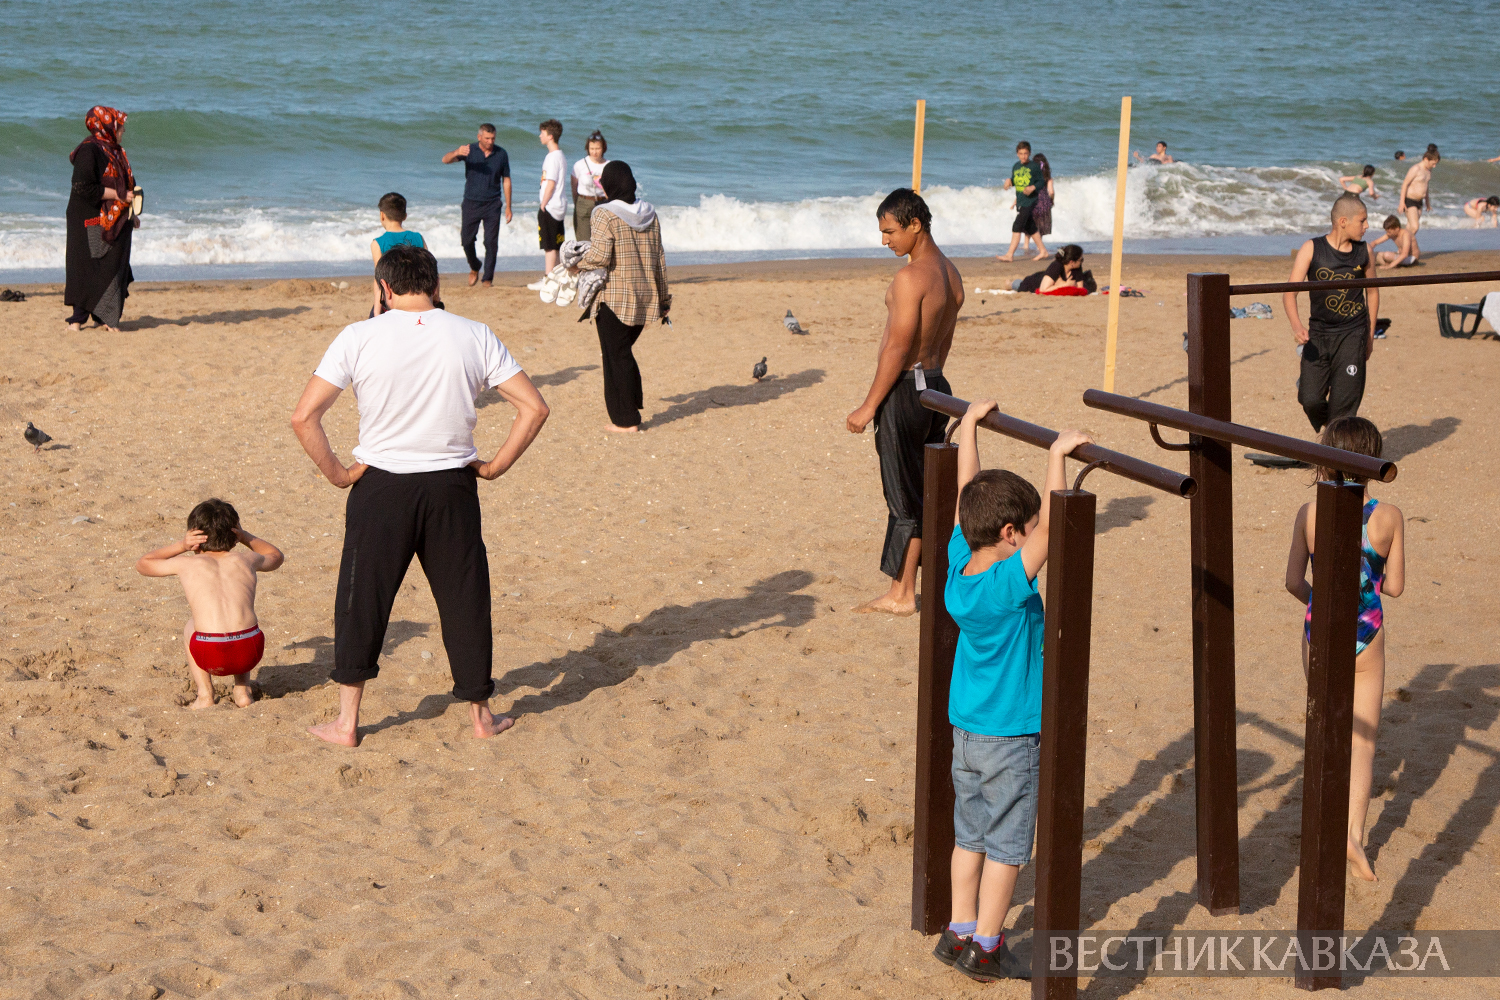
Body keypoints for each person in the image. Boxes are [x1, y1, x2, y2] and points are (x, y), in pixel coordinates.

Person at [290, 245, 550, 746]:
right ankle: (480, 717)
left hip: (381, 486)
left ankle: (347, 723)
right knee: (464, 599)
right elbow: (534, 408)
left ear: (383, 290)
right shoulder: (474, 333)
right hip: (451, 486)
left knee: (361, 600)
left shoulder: (359, 335)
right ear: (436, 286)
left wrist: (339, 474)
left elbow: (304, 417)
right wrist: (494, 466)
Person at [930, 398, 1093, 982]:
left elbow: (963, 497)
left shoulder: (957, 570)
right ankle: (990, 945)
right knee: (1006, 846)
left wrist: (969, 427)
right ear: (1007, 533)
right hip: (1010, 735)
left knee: (968, 834)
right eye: (1019, 533)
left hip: (967, 731)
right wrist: (1055, 459)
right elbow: (1051, 527)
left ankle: (959, 929)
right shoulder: (1006, 585)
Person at [1283, 416, 1404, 882]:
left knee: (1323, 729)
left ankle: (1318, 821)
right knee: (1364, 741)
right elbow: (1394, 587)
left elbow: (1294, 580)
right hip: (1366, 633)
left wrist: (1322, 599)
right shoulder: (1387, 516)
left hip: (1319, 630)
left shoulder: (1309, 513)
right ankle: (1353, 834)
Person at [845, 189, 963, 616]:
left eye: (890, 231)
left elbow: (896, 348)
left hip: (906, 391)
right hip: (935, 387)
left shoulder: (910, 278)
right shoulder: (951, 274)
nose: (884, 241)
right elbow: (943, 341)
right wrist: (930, 383)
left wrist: (869, 405)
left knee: (903, 496)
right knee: (924, 491)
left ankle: (901, 594)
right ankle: (910, 586)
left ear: (915, 225)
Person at [134, 500, 285, 711]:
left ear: (195, 538)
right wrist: (246, 536)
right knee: (239, 619)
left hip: (210, 652)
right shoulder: (247, 559)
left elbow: (143, 564)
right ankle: (242, 691)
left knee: (191, 625)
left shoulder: (186, 563)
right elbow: (277, 557)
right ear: (234, 537)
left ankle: (205, 694)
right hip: (249, 651)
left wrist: (181, 546)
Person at [575, 161, 671, 432]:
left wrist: (577, 261)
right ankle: (628, 411)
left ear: (609, 184)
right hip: (645, 299)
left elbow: (601, 256)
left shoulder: (603, 213)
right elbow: (660, 261)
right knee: (622, 353)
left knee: (615, 356)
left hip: (615, 299)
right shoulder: (650, 214)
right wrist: (664, 300)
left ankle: (626, 420)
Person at [1283, 193, 1380, 432]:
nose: (1367, 226)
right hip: (1318, 334)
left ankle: (1335, 455)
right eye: (1362, 220)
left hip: (1352, 334)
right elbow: (1289, 293)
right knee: (1310, 399)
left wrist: (1369, 336)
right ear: (1343, 221)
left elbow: (1373, 293)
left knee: (1344, 408)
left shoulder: (1364, 251)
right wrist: (1297, 327)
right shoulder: (1312, 248)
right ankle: (1334, 435)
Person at [65, 106, 138, 332]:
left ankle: (104, 317)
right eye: (119, 125)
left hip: (112, 215)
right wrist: (119, 195)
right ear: (106, 126)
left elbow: (127, 184)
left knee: (112, 263)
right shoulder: (90, 150)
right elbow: (82, 187)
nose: (123, 129)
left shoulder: (115, 151)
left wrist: (132, 212)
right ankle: (77, 320)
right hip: (86, 214)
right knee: (85, 265)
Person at [441, 124, 512, 287]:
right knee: (466, 240)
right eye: (487, 138)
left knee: (490, 242)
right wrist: (456, 152)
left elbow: (506, 180)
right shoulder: (469, 150)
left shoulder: (501, 154)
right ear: (479, 137)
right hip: (471, 202)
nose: (490, 141)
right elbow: (445, 160)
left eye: (493, 138)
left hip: (493, 203)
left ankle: (487, 278)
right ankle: (474, 266)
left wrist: (508, 206)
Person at [369, 192, 425, 315]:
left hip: (392, 302)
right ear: (405, 216)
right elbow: (429, 270)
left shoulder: (378, 243)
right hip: (418, 298)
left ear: (382, 215)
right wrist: (436, 298)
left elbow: (380, 279)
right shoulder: (418, 238)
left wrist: (377, 312)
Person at [996, 142, 1038, 262]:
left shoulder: (1034, 167)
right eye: (1021, 154)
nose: (1023, 156)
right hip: (1021, 200)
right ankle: (1043, 251)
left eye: (1025, 153)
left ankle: (1009, 255)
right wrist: (1009, 181)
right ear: (1017, 154)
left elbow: (1041, 182)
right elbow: (1016, 180)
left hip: (1031, 201)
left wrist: (1032, 188)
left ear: (1029, 153)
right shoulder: (1016, 166)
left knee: (1017, 226)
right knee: (1030, 227)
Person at [537, 119, 569, 278]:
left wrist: (543, 204)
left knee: (549, 245)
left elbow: (551, 183)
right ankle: (556, 277)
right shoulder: (559, 156)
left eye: (542, 133)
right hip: (558, 205)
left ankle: (548, 278)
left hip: (551, 206)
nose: (539, 136)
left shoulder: (553, 157)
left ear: (550, 136)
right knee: (555, 244)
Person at [572, 130, 610, 242]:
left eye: (597, 148)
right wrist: (577, 203)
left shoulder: (608, 165)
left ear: (603, 148)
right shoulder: (580, 165)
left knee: (603, 240)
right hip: (584, 202)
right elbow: (574, 187)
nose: (594, 152)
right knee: (584, 242)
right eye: (591, 149)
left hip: (603, 203)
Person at [1014, 244, 1087, 293]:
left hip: (1044, 278)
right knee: (1016, 285)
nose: (1082, 262)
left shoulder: (1077, 267)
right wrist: (1064, 285)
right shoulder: (1056, 266)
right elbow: (1043, 289)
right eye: (1081, 260)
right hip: (1031, 284)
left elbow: (1080, 289)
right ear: (1072, 262)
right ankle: (1009, 283)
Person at [1397, 150, 1438, 233]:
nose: (1434, 166)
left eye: (1436, 164)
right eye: (1433, 163)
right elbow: (1405, 184)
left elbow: (1426, 187)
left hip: (1419, 202)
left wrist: (1427, 202)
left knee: (1410, 228)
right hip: (1409, 201)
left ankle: (1405, 244)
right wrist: (1401, 203)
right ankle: (1405, 244)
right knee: (1415, 227)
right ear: (1426, 159)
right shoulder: (1416, 168)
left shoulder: (1428, 171)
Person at [1027, 153, 1055, 259]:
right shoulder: (1048, 178)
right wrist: (1051, 200)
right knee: (1041, 227)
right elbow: (1051, 192)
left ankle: (1026, 245)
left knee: (1030, 224)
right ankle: (1040, 247)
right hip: (1045, 204)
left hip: (1034, 202)